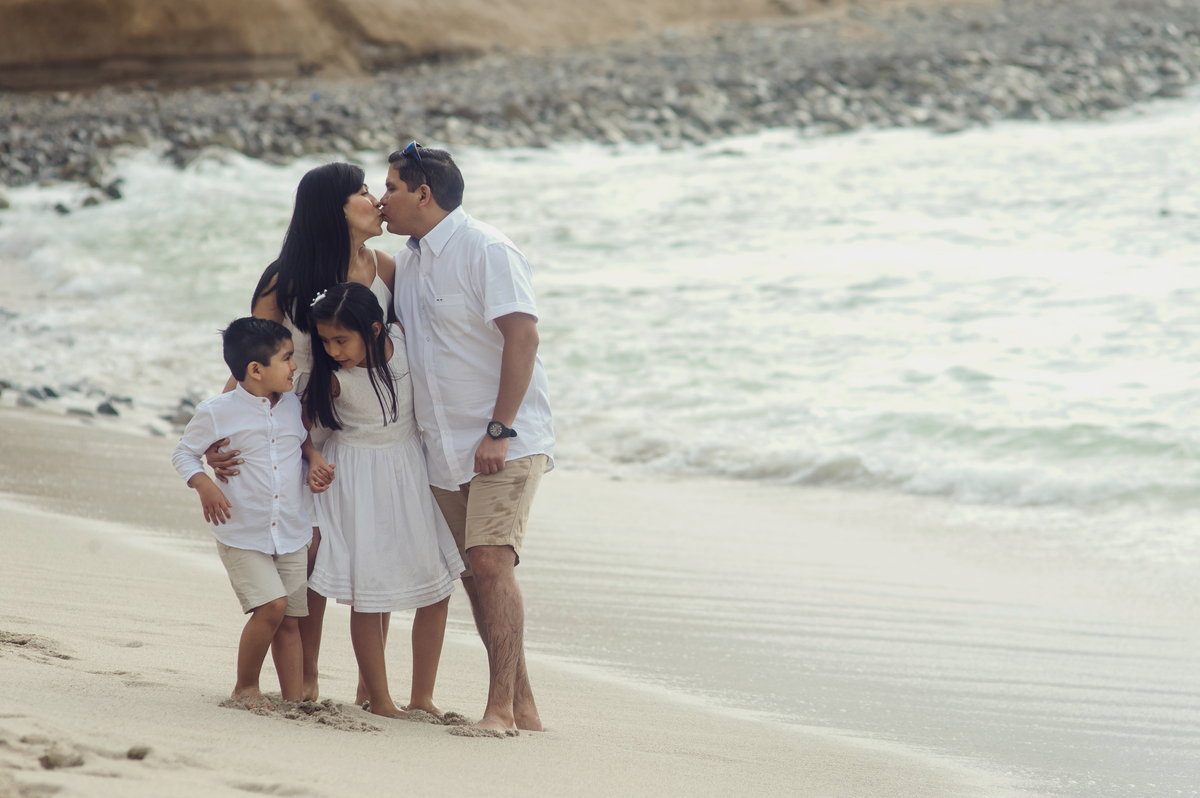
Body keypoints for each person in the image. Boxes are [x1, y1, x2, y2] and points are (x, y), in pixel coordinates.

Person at [379, 143, 554, 734]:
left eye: (391, 187)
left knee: (490, 560)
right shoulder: (408, 263)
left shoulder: (487, 249)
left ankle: (499, 709)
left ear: (423, 193)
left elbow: (523, 337)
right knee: (474, 574)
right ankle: (523, 704)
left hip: (505, 438)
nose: (384, 199)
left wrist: (499, 429)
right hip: (442, 446)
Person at [204, 162, 395, 702]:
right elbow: (250, 362)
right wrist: (221, 433)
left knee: (356, 548)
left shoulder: (384, 267)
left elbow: (396, 350)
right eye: (364, 191)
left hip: (358, 425)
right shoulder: (283, 279)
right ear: (335, 209)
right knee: (306, 549)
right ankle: (304, 678)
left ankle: (368, 684)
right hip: (290, 426)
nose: (376, 200)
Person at [304, 282, 465, 719]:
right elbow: (299, 425)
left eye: (341, 340)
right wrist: (313, 456)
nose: (333, 350)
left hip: (409, 473)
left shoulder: (401, 339)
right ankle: (379, 698)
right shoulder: (334, 379)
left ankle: (422, 696)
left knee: (436, 588)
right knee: (370, 592)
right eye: (325, 341)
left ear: (375, 329)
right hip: (358, 481)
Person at [172, 317, 334, 710]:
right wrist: (204, 485)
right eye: (287, 358)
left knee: (290, 618)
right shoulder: (217, 411)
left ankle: (293, 701)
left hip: (291, 531)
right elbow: (184, 453)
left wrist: (314, 459)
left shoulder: (291, 404)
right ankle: (245, 686)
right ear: (256, 370)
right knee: (272, 606)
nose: (295, 366)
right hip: (242, 532)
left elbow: (301, 443)